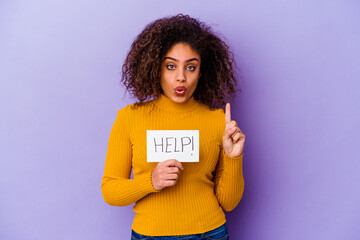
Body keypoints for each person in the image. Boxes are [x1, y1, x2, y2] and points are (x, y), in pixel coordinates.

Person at [101, 14, 246, 240]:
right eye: (170, 66)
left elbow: (229, 202)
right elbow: (110, 191)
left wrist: (234, 157)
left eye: (190, 67)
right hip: (150, 235)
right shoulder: (129, 118)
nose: (181, 77)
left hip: (210, 233)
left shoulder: (218, 120)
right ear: (154, 67)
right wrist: (151, 181)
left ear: (202, 72)